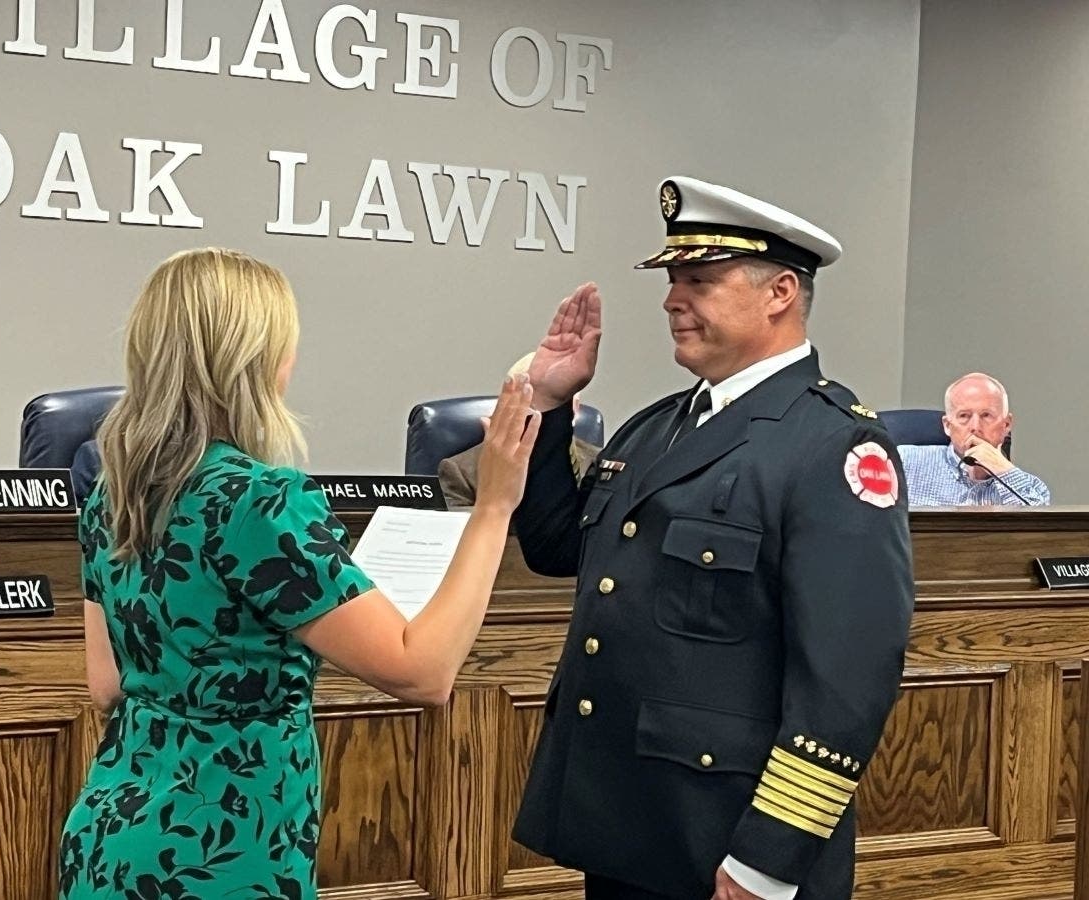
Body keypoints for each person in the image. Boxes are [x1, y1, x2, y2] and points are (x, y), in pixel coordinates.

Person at [57, 247, 539, 899]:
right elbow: (422, 673)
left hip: (109, 837)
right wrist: (494, 506)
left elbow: (107, 684)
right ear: (255, 362)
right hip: (223, 847)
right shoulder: (260, 502)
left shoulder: (111, 496)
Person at [509, 176, 914, 900]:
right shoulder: (657, 425)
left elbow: (846, 684)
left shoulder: (835, 447)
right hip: (629, 822)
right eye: (672, 280)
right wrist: (550, 399)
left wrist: (770, 856)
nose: (672, 299)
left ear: (780, 292)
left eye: (699, 279)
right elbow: (553, 547)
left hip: (731, 843)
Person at [438, 353, 601, 507]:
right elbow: (467, 535)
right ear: (507, 406)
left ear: (575, 408)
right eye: (530, 403)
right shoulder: (461, 473)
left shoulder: (600, 465)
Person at [899, 372, 1050, 506]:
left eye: (986, 415)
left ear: (1006, 425)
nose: (975, 427)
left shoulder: (1034, 488)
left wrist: (1003, 469)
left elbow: (1042, 529)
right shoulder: (904, 462)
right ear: (947, 426)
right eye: (964, 416)